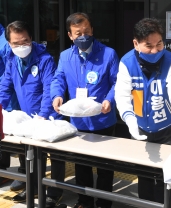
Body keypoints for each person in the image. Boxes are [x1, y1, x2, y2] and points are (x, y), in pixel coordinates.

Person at [114, 18, 171, 203]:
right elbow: (122, 96)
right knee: (144, 175)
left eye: (159, 44)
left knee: (165, 176)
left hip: (166, 129)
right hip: (139, 129)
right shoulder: (126, 62)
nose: (155, 51)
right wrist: (130, 121)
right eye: (149, 46)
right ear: (136, 43)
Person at [51, 12, 119, 208]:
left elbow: (117, 82)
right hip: (78, 120)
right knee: (82, 166)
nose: (83, 36)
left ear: (92, 31)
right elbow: (58, 79)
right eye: (78, 33)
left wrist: (109, 100)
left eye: (86, 31)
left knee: (105, 167)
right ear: (70, 35)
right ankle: (85, 201)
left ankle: (104, 203)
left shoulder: (108, 54)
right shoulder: (65, 56)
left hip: (102, 119)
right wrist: (56, 95)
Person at [0, 20, 63, 206]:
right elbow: (5, 85)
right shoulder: (12, 59)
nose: (21, 46)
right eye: (16, 43)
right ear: (9, 44)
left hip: (49, 116)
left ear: (31, 38)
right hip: (28, 117)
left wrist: (43, 115)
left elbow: (48, 89)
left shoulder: (45, 59)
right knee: (30, 156)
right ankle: (33, 187)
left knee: (54, 156)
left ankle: (54, 192)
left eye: (25, 41)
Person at [0, 23, 22, 187]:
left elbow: (11, 74)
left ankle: (6, 172)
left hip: (9, 100)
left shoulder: (4, 42)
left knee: (11, 138)